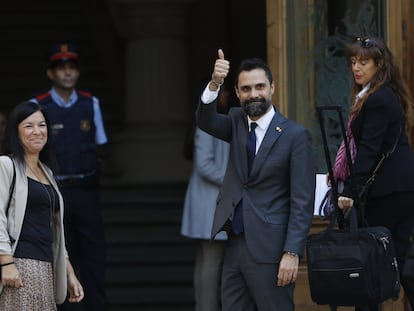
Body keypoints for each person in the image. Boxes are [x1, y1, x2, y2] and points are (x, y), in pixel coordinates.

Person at [196, 49, 316, 310]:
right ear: (238, 93)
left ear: (272, 87)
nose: (254, 94)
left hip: (272, 250)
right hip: (235, 244)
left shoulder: (295, 136)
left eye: (260, 86)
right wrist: (215, 83)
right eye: (246, 88)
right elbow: (205, 121)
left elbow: (302, 200)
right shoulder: (237, 121)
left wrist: (292, 252)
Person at [333, 36, 414, 311]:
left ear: (379, 64)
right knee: (398, 260)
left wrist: (349, 193)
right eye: (353, 62)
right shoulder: (379, 94)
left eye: (363, 62)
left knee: (371, 261)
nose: (356, 67)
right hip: (398, 189)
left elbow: (368, 151)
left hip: (389, 191)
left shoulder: (377, 99)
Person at [32, 43, 108, 310]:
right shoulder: (38, 106)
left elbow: (100, 144)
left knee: (94, 255)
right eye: (61, 67)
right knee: (59, 254)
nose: (67, 72)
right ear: (50, 73)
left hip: (86, 191)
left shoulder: (91, 103)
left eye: (72, 67)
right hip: (54, 192)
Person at [0, 101, 83, 310]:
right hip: (19, 267)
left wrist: (69, 272)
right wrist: (6, 263)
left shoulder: (47, 172)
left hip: (46, 268)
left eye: (42, 125)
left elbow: (54, 228)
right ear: (15, 132)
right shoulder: (6, 165)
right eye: (29, 126)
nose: (37, 131)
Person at [181, 85, 231, 311]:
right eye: (223, 91)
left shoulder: (211, 122)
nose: (227, 95)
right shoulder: (207, 124)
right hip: (210, 204)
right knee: (211, 263)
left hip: (209, 202)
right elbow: (205, 166)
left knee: (207, 262)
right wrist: (235, 181)